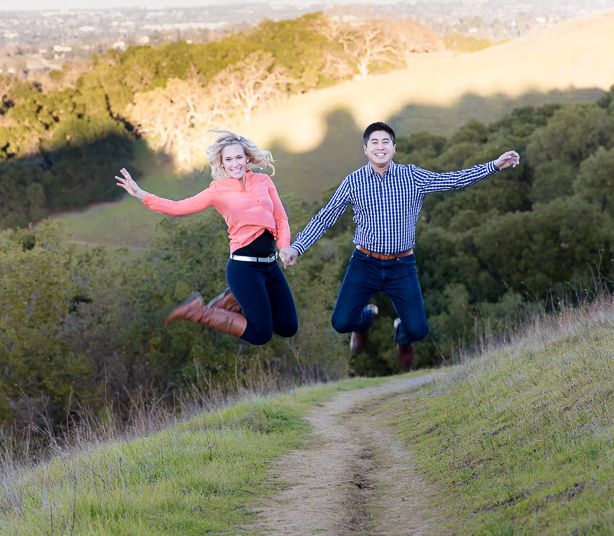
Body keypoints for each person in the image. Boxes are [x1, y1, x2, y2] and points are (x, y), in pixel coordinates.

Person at [279, 122, 519, 370]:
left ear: (394, 148)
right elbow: (325, 217)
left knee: (418, 330)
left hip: (402, 265)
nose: (380, 147)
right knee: (341, 323)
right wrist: (297, 247)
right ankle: (365, 319)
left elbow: (452, 180)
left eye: (385, 142)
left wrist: (494, 166)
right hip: (365, 263)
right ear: (365, 149)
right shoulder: (353, 182)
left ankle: (401, 333)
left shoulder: (412, 177)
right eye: (374, 142)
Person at [115, 130, 298, 345]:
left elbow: (281, 218)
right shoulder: (217, 191)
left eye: (239, 157)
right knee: (261, 335)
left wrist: (284, 247)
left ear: (247, 157)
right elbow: (178, 208)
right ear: (221, 163)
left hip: (271, 266)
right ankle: (198, 312)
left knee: (288, 327)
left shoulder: (263, 181)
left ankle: (231, 301)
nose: (235, 164)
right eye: (228, 159)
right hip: (244, 269)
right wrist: (141, 194)